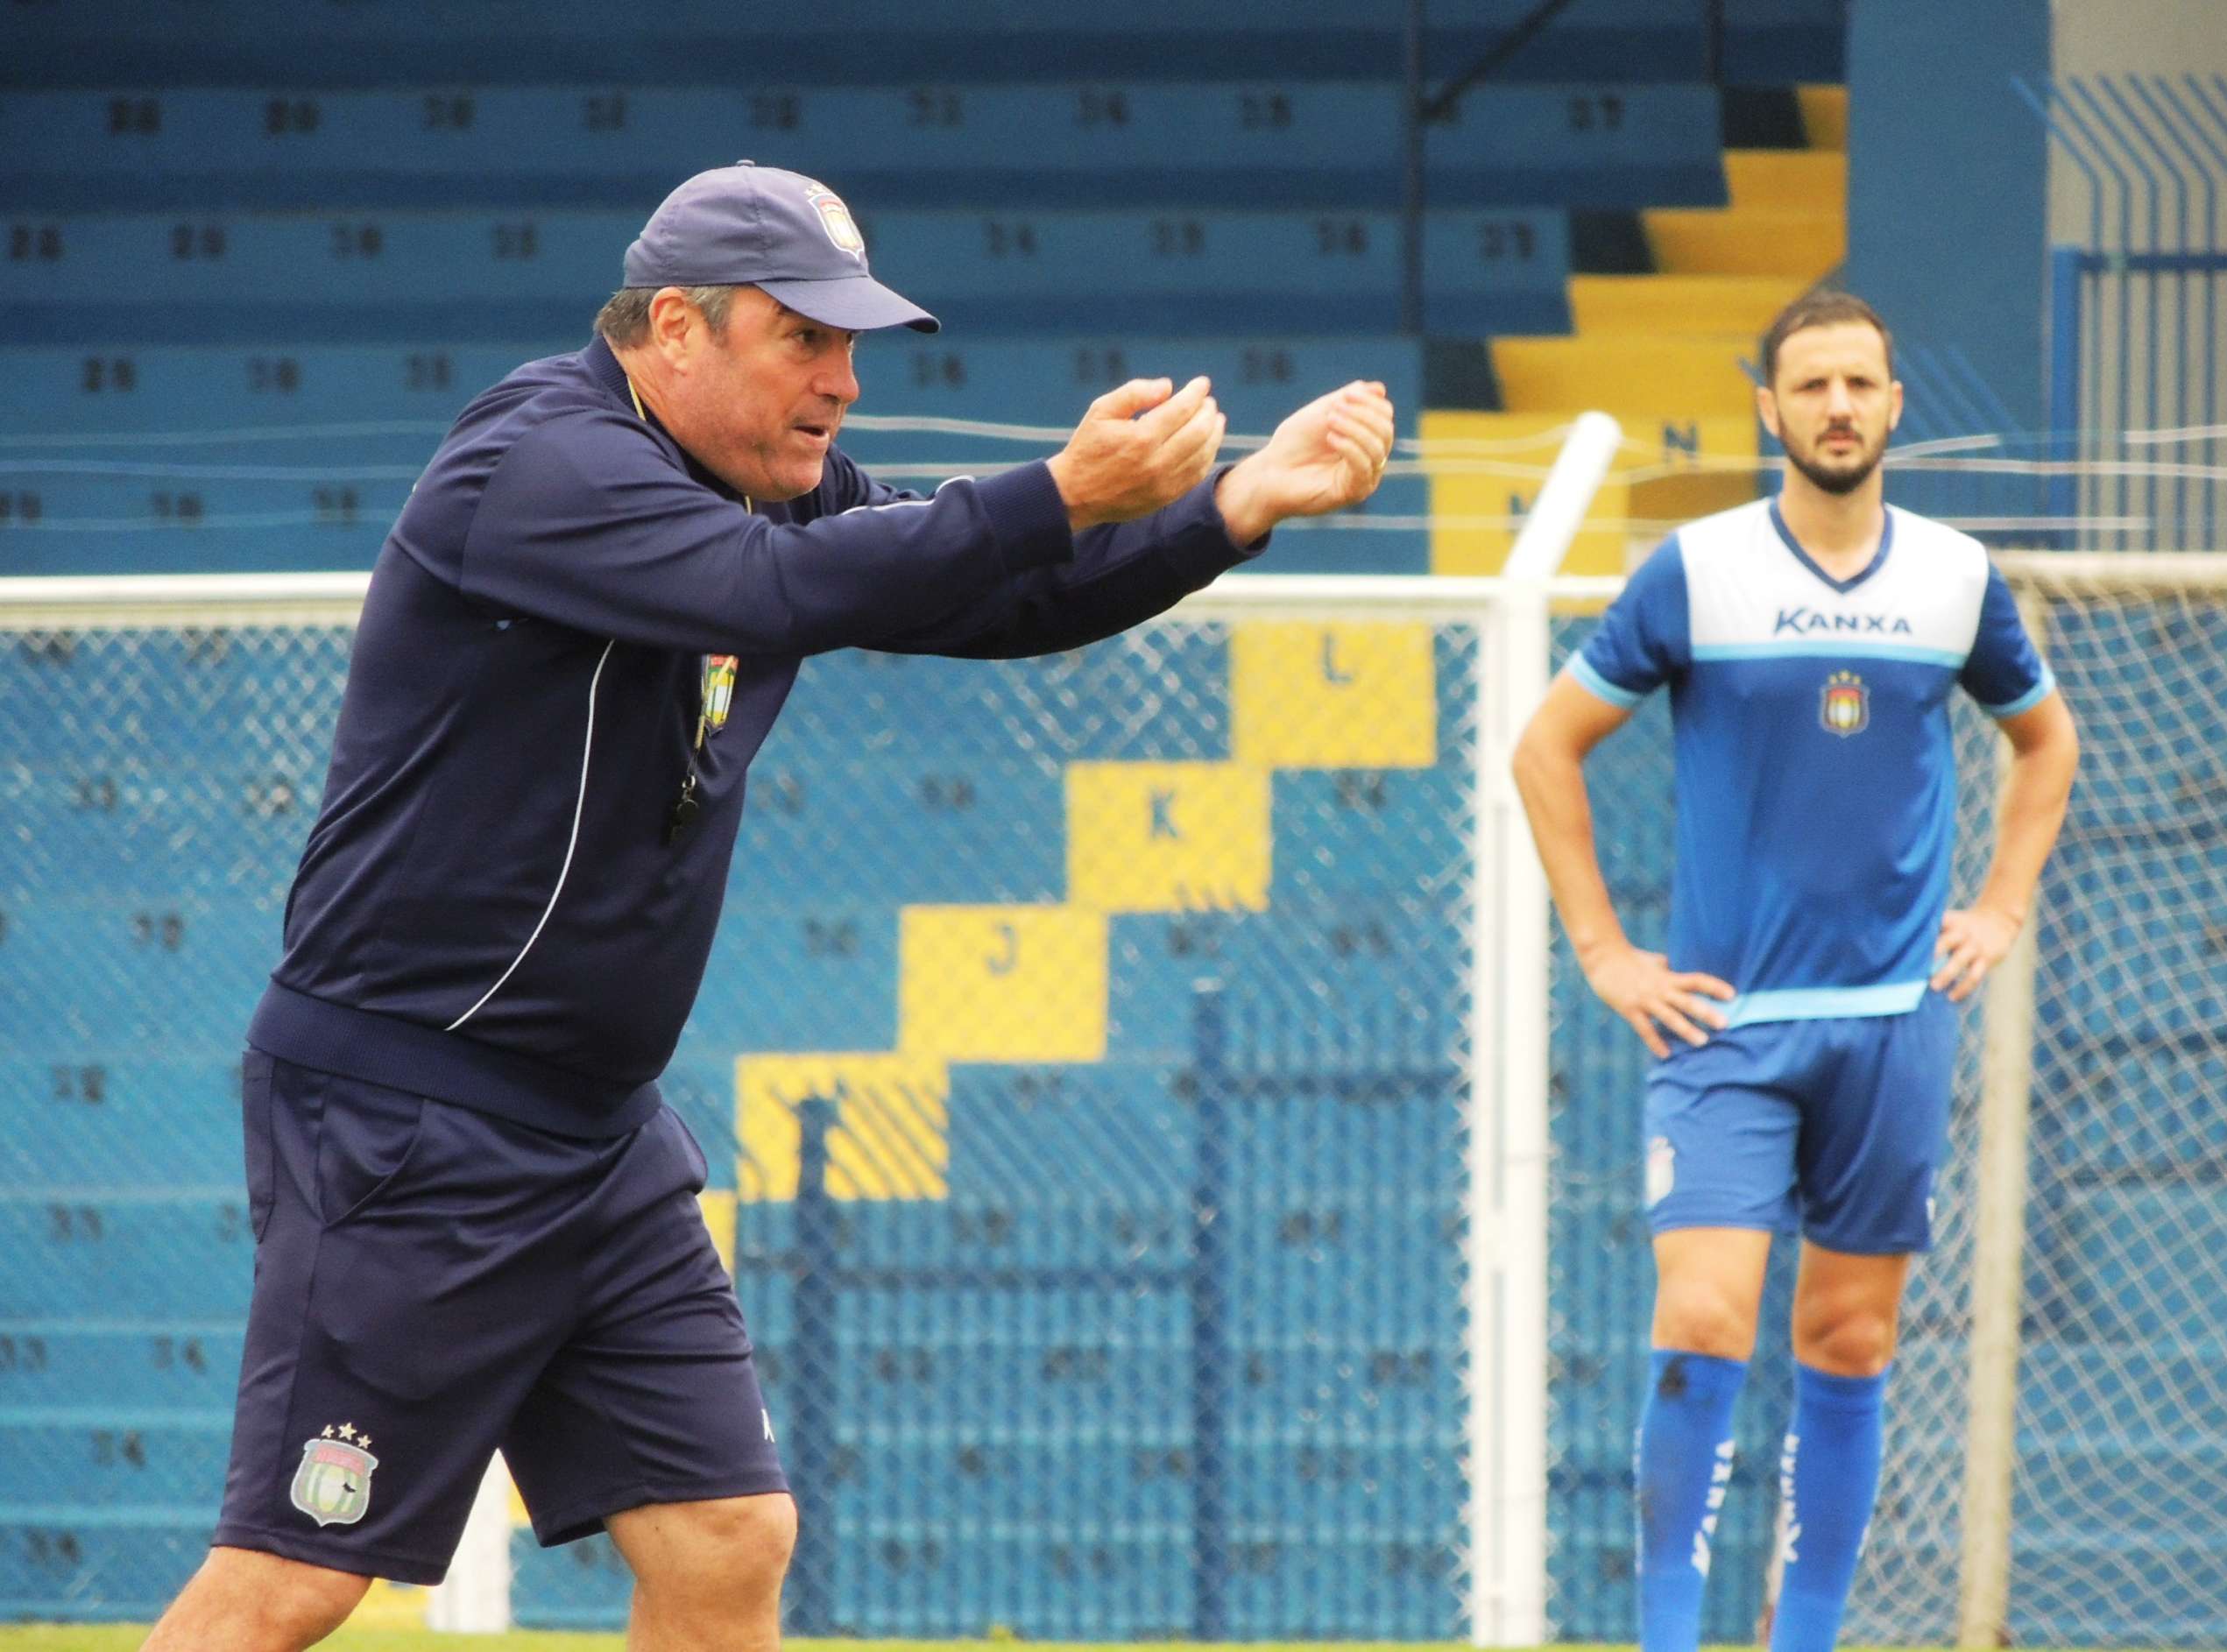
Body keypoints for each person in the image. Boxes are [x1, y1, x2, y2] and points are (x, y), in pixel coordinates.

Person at [143, 161, 1396, 1652]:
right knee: (297, 1576)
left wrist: (1233, 504)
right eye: (806, 337)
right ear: (675, 324)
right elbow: (777, 591)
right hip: (412, 1118)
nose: (846, 382)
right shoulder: (539, 459)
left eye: (855, 346)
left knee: (730, 1536)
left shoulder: (759, 485)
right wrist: (1054, 489)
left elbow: (984, 592)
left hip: (594, 1133)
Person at [1510, 290, 2077, 1652]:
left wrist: (1998, 910)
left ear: (1894, 405)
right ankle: (1667, 1636)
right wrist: (1602, 949)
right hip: (1724, 1026)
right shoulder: (1696, 570)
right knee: (1702, 1315)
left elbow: (2045, 742)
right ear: (1769, 406)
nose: (1836, 406)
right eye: (1809, 384)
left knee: (1846, 1342)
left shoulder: (1955, 577)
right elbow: (1545, 748)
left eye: (1859, 385)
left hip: (1894, 1025)